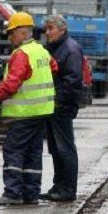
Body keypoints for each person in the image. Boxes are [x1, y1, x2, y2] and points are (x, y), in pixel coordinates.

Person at [0, 12, 56, 205]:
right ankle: (31, 194)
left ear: (22, 33)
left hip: (24, 113)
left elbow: (12, 84)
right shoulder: (41, 51)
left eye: (11, 33)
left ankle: (13, 193)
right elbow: (54, 68)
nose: (9, 38)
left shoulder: (22, 54)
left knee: (13, 151)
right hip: (42, 112)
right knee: (33, 153)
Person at [40, 15, 83, 202]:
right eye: (46, 29)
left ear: (62, 29)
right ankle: (58, 186)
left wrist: (59, 100)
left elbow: (73, 80)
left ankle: (68, 189)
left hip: (61, 107)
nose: (47, 32)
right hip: (53, 105)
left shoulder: (70, 50)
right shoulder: (56, 48)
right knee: (56, 149)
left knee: (64, 148)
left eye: (51, 28)